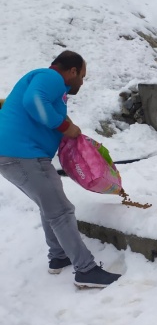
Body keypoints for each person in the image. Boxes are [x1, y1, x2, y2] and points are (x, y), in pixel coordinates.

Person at [0, 51, 121, 288]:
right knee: (62, 210)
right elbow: (33, 101)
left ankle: (58, 255)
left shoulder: (47, 81)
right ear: (72, 71)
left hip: (17, 154)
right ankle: (86, 270)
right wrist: (64, 126)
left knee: (50, 205)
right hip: (23, 154)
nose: (82, 83)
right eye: (82, 76)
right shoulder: (51, 77)